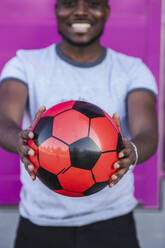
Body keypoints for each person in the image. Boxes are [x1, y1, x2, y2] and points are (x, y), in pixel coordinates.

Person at [0, 0, 158, 247]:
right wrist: (21, 141)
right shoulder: (25, 64)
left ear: (107, 11)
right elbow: (4, 120)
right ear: (56, 10)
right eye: (70, 3)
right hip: (41, 222)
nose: (81, 11)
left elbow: (148, 132)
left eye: (93, 4)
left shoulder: (132, 70)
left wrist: (132, 151)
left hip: (112, 221)